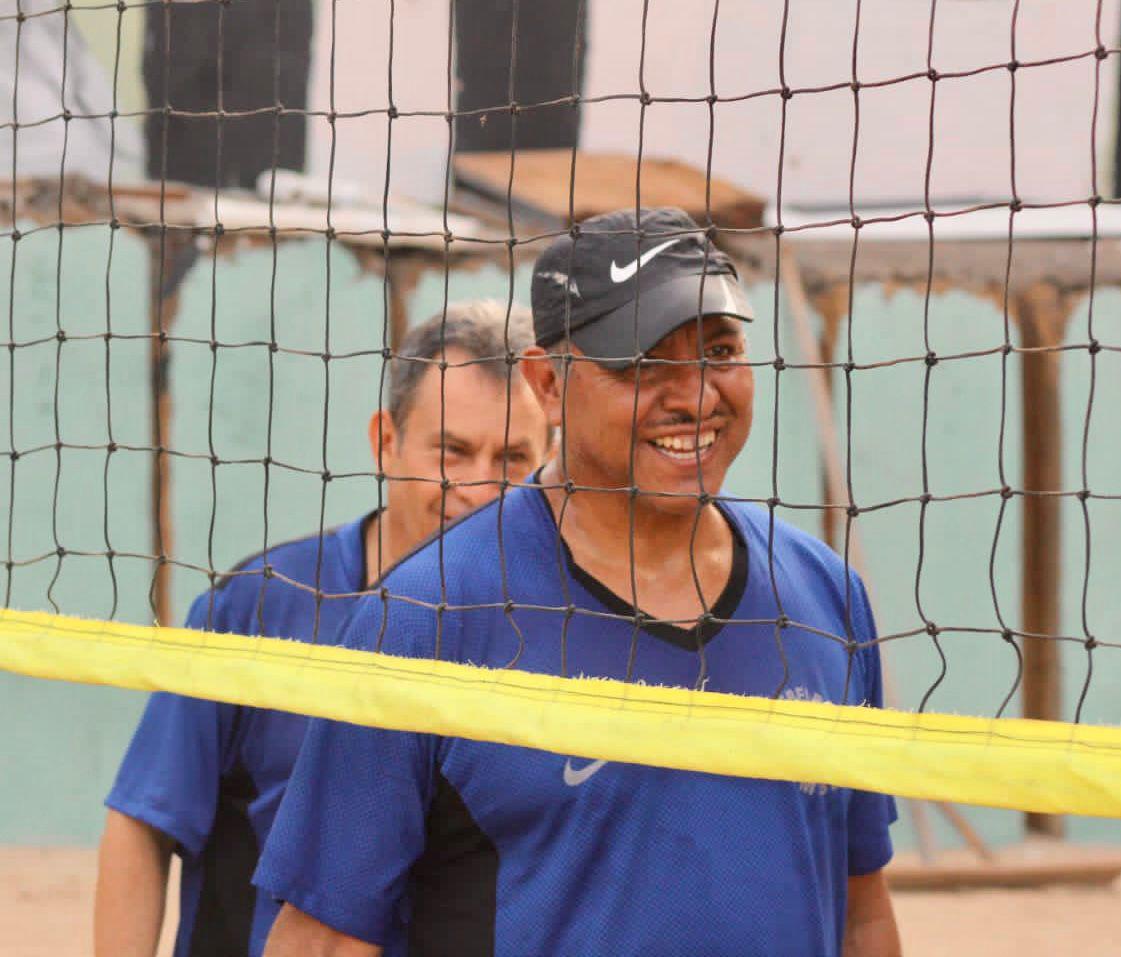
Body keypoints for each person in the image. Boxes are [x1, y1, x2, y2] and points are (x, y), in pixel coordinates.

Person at [255, 207, 902, 957]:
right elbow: (323, 940)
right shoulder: (424, 616)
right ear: (547, 385)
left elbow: (860, 908)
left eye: (719, 350)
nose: (693, 396)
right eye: (643, 362)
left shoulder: (825, 596)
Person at [93, 301, 550, 957]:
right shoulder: (259, 606)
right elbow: (143, 820)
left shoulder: (563, 624)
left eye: (512, 457)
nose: (479, 487)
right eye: (451, 450)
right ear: (385, 441)